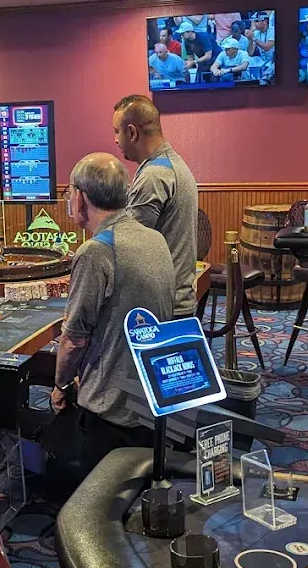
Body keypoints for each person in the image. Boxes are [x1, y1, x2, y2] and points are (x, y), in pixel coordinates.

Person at [51, 153, 174, 475]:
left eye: (69, 192)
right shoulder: (155, 238)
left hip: (112, 411)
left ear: (80, 197)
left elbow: (75, 339)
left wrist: (60, 385)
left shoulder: (97, 251)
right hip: (152, 396)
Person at [112, 94, 199, 318]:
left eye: (116, 131)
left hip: (163, 306)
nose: (115, 140)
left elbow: (130, 247)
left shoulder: (154, 175)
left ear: (132, 133)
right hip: (175, 299)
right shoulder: (171, 163)